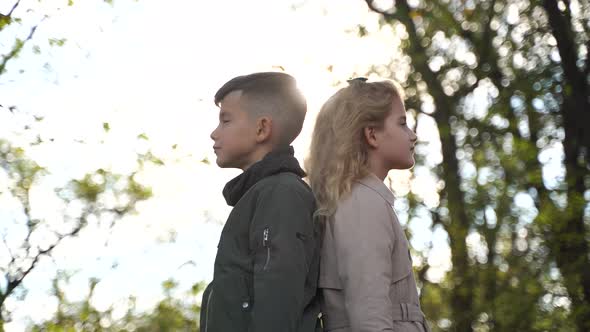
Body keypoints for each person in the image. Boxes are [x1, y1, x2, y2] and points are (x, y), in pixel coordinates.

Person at [200, 72, 322, 332]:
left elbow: (278, 296)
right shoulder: (261, 194)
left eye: (226, 120)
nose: (214, 133)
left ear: (261, 129)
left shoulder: (282, 194)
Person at [305, 78, 430, 332]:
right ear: (372, 134)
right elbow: (369, 318)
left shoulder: (359, 200)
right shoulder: (363, 203)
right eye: (402, 123)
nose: (413, 134)